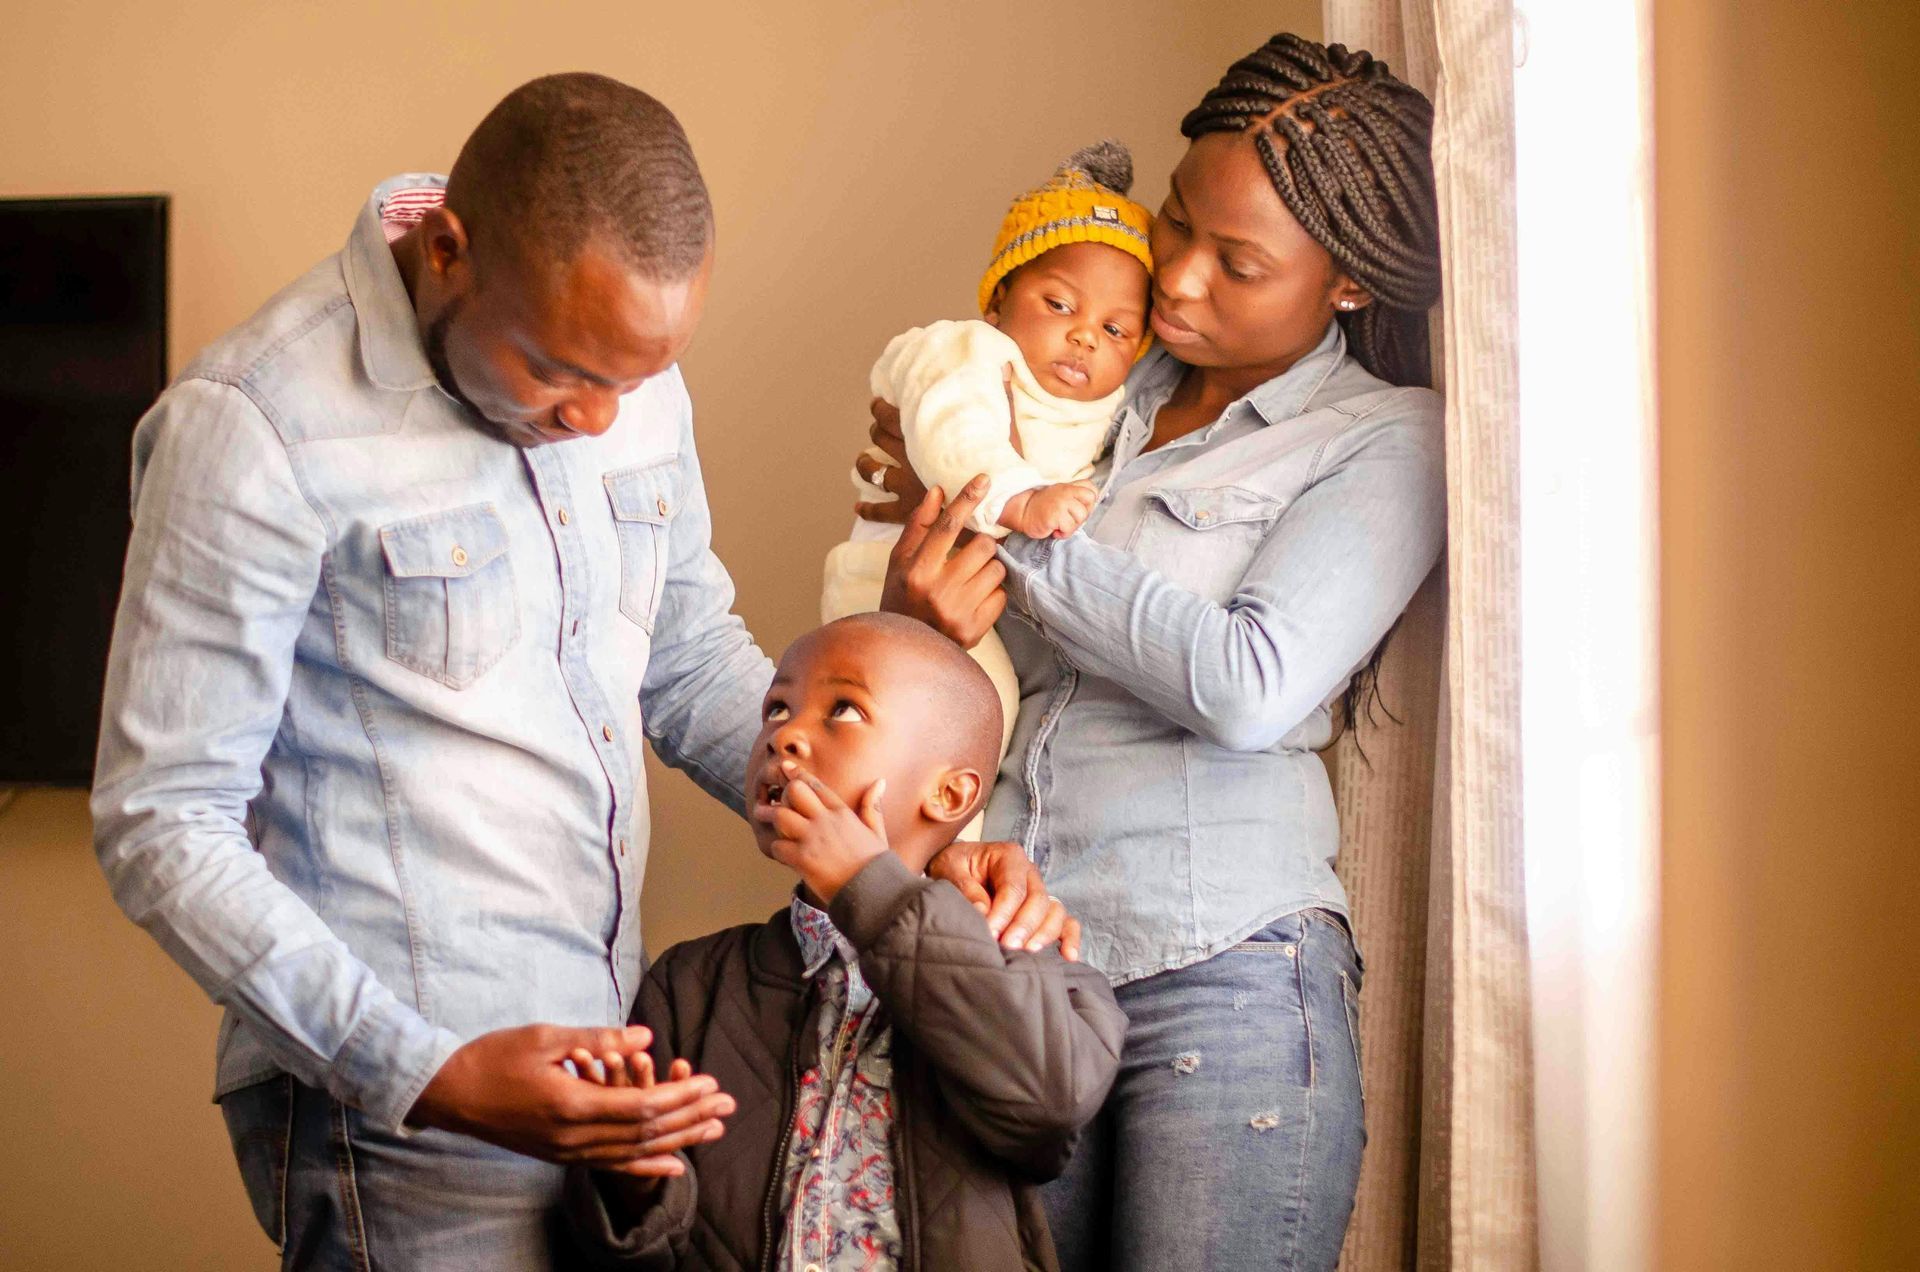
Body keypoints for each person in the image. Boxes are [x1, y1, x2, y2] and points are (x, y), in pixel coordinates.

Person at [90, 73, 1067, 1272]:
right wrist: (428, 1073)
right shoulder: (253, 424)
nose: (602, 418)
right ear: (449, 250)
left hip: (610, 1077)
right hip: (404, 1110)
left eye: (637, 377)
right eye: (564, 371)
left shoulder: (628, 370)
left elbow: (692, 662)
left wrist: (905, 854)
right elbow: (160, 821)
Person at [856, 33, 1446, 1272]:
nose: (1174, 280)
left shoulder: (1382, 440)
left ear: (1344, 286)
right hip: (1010, 968)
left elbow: (1248, 682)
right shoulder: (1076, 379)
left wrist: (996, 515)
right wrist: (917, 599)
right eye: (1175, 222)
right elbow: (958, 658)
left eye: (1236, 264)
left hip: (1222, 967)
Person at [558, 613, 1126, 1270]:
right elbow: (650, 1238)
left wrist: (869, 886)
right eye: (776, 708)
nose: (784, 736)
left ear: (949, 793)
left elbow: (1048, 1105)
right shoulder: (693, 980)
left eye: (844, 710)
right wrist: (632, 1186)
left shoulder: (1028, 960)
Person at [822, 141, 1153, 762]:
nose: (1085, 334)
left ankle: (944, 856)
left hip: (983, 603)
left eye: (1115, 330)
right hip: (892, 582)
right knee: (946, 733)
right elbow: (953, 430)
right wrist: (1021, 498)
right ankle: (929, 859)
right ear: (998, 301)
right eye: (1059, 304)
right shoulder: (968, 351)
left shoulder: (1113, 408)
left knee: (971, 743)